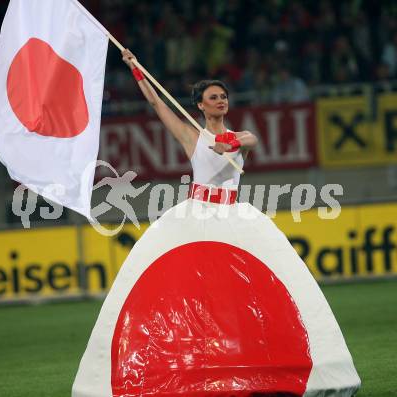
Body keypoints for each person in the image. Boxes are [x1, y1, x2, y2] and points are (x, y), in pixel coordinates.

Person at [72, 50, 361, 397]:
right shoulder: (192, 137)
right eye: (213, 97)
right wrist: (135, 69)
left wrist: (234, 141)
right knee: (195, 292)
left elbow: (251, 140)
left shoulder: (239, 136)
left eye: (223, 96)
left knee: (246, 293)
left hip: (234, 217)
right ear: (201, 106)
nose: (221, 101)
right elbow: (156, 104)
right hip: (197, 215)